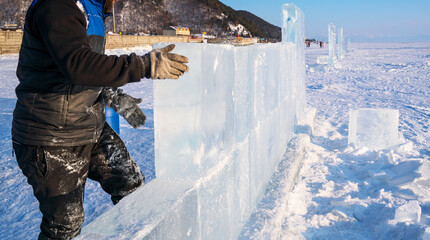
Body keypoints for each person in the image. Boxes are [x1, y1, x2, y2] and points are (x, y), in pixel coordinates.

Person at [12, 0, 189, 239]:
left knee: (132, 186)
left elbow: (87, 67)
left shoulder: (93, 9)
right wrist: (144, 65)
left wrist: (111, 95)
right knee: (65, 225)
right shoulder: (57, 5)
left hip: (89, 124)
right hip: (51, 133)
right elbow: (77, 64)